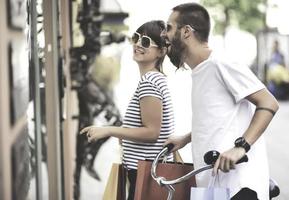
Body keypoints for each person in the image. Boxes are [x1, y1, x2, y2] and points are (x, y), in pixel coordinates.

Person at [162, 3, 279, 200]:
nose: (164, 34)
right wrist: (186, 138)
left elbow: (268, 103)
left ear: (186, 32)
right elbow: (219, 120)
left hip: (239, 188)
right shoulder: (201, 70)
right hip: (215, 189)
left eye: (169, 27)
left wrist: (241, 147)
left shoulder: (221, 63)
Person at [80, 20, 174, 200]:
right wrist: (125, 136)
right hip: (146, 173)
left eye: (146, 41)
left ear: (161, 52)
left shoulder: (150, 83)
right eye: (136, 38)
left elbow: (152, 132)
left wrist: (108, 130)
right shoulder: (154, 80)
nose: (138, 44)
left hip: (146, 175)